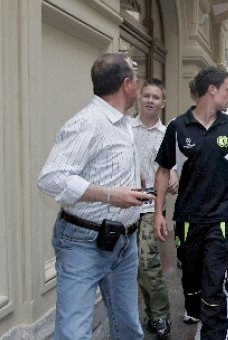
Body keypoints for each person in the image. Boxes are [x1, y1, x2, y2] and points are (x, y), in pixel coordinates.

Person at [37, 52, 155, 339]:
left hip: (124, 242)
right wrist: (111, 195)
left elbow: (103, 164)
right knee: (73, 334)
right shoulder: (87, 122)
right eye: (136, 80)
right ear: (126, 85)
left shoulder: (124, 123)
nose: (138, 86)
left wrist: (134, 175)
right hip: (83, 243)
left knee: (128, 328)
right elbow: (51, 179)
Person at [153, 66, 228, 339]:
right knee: (192, 278)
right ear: (212, 90)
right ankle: (199, 314)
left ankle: (213, 332)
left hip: (222, 218)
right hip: (188, 218)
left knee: (214, 282)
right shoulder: (177, 127)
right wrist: (158, 213)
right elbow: (162, 170)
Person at [132, 78, 178, 338]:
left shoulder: (168, 135)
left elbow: (175, 170)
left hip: (152, 204)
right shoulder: (125, 129)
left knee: (148, 260)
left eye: (156, 97)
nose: (150, 100)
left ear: (163, 103)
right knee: (133, 266)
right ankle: (147, 314)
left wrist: (174, 176)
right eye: (146, 95)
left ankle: (160, 316)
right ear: (139, 97)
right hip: (121, 205)